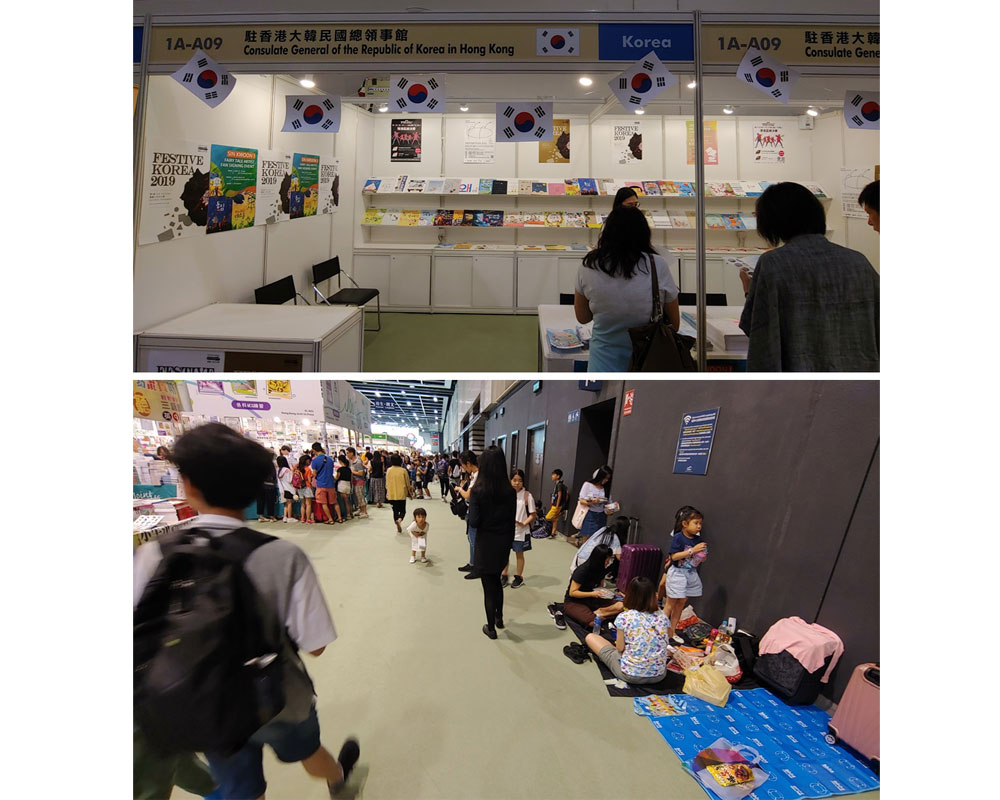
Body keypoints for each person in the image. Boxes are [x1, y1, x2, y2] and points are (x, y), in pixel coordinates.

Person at [134, 423, 359, 799]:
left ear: (187, 485)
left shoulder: (154, 554)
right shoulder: (283, 556)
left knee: (240, 788)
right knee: (308, 751)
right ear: (257, 489)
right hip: (279, 695)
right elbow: (316, 644)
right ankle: (337, 777)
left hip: (204, 697)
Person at [737, 182, 879, 372]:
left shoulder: (774, 263)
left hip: (800, 379)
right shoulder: (858, 262)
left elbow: (757, 327)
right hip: (858, 380)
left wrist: (749, 291)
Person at [574, 206, 680, 372]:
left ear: (607, 232)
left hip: (602, 364)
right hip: (648, 363)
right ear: (644, 233)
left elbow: (582, 317)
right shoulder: (657, 264)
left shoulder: (589, 265)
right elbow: (674, 323)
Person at [467, 446, 516, 639]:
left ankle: (491, 628)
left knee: (488, 586)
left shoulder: (478, 491)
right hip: (503, 542)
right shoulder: (510, 491)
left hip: (485, 543)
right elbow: (511, 520)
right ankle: (499, 619)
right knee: (497, 580)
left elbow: (474, 522)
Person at [583, 576, 670, 684]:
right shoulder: (662, 615)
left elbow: (620, 648)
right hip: (659, 675)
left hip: (630, 674)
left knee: (591, 637)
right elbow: (668, 636)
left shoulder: (625, 617)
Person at [658, 506, 707, 642]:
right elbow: (674, 556)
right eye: (696, 523)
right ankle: (659, 630)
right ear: (685, 524)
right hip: (677, 573)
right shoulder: (678, 537)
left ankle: (672, 632)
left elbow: (699, 559)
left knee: (681, 603)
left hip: (690, 573)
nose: (699, 526)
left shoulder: (698, 540)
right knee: (670, 604)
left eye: (700, 523)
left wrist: (702, 555)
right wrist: (692, 551)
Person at [564, 544, 624, 624]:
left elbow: (600, 587)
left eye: (609, 560)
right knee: (593, 622)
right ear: (599, 559)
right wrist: (592, 594)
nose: (608, 562)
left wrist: (614, 593)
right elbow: (572, 592)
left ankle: (600, 613)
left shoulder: (601, 568)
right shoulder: (582, 571)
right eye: (607, 560)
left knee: (622, 606)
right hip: (574, 601)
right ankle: (600, 614)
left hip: (592, 599)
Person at [501, 469, 536, 588]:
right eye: (514, 480)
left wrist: (523, 523)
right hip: (505, 530)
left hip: (520, 531)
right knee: (504, 553)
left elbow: (533, 514)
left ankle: (519, 577)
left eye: (520, 480)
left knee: (519, 554)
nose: (517, 483)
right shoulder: (505, 494)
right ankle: (504, 574)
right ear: (510, 480)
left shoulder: (527, 496)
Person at [571, 515, 627, 579]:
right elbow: (620, 558)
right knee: (613, 560)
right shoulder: (615, 539)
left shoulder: (603, 529)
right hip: (588, 563)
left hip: (578, 557)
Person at [575, 466, 616, 543]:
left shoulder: (606, 488)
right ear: (600, 476)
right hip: (589, 513)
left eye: (608, 478)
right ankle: (584, 551)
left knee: (598, 539)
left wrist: (610, 510)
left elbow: (608, 503)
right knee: (586, 539)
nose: (606, 480)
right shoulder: (588, 485)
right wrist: (592, 502)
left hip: (601, 515)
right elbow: (581, 501)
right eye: (605, 478)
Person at [455, 450, 480, 578]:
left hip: (476, 512)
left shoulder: (478, 475)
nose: (464, 468)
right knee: (471, 538)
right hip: (472, 511)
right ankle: (472, 563)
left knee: (474, 540)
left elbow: (468, 496)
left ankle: (476, 567)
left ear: (468, 463)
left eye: (464, 465)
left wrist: (459, 489)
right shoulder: (475, 474)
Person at [310, 442, 342, 524]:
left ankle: (330, 519)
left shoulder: (315, 461)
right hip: (331, 484)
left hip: (321, 484)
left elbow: (314, 473)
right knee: (335, 502)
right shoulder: (330, 459)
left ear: (314, 450)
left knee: (324, 503)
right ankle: (339, 518)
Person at [385, 453, 413, 533]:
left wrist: (387, 492)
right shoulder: (403, 470)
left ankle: (397, 521)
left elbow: (387, 482)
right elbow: (407, 483)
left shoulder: (389, 470)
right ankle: (400, 520)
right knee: (403, 510)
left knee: (395, 510)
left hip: (392, 493)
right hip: (401, 493)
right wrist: (410, 493)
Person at [545, 469, 569, 536]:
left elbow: (559, 495)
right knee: (555, 520)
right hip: (556, 504)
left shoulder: (559, 485)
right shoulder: (557, 484)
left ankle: (549, 531)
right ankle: (553, 533)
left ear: (558, 476)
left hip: (557, 505)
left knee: (547, 517)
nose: (552, 476)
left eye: (553, 474)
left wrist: (557, 506)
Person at [347, 447, 369, 519]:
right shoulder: (351, 462)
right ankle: (361, 510)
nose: (347, 455)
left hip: (359, 481)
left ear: (352, 453)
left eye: (348, 453)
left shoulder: (358, 462)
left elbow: (360, 473)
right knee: (357, 497)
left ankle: (364, 512)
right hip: (354, 481)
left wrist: (351, 472)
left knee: (360, 496)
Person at [256, 452, 279, 522]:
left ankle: (261, 516)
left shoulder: (259, 464)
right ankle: (271, 517)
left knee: (260, 501)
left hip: (260, 485)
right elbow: (273, 475)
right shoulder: (271, 464)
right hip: (270, 486)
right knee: (270, 501)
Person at [276, 453, 297, 523]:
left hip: (283, 489)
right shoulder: (287, 470)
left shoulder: (279, 470)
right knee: (289, 503)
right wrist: (292, 472)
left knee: (286, 504)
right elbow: (290, 480)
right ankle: (289, 517)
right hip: (289, 489)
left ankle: (285, 517)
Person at [335, 454, 354, 521]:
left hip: (341, 485)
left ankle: (346, 514)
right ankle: (350, 513)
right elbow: (351, 478)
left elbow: (337, 477)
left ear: (340, 461)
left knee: (342, 501)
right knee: (348, 501)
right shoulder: (349, 469)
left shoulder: (340, 469)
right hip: (348, 485)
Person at [296, 454, 315, 523]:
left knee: (303, 504)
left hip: (300, 487)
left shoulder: (298, 469)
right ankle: (308, 519)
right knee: (308, 504)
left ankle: (302, 518)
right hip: (307, 486)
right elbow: (309, 480)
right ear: (307, 461)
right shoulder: (308, 469)